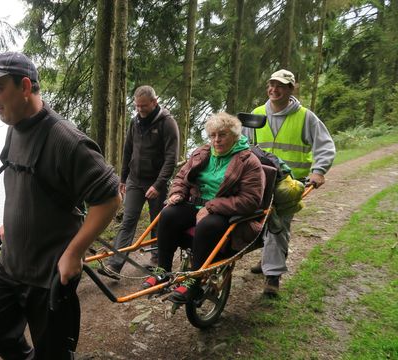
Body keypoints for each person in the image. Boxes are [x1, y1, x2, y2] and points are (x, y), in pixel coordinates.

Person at [0, 52, 121, 359]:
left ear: (25, 87)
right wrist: (7, 225)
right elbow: (18, 183)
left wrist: (74, 252)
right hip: (11, 264)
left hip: (52, 274)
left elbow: (110, 198)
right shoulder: (14, 128)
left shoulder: (67, 141)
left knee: (53, 353)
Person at [141, 112, 265, 302]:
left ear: (234, 135)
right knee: (168, 214)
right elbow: (182, 178)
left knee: (207, 225)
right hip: (196, 204)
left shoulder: (248, 162)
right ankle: (163, 271)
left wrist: (212, 206)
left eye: (222, 135)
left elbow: (250, 200)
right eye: (212, 135)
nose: (216, 140)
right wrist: (177, 193)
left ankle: (195, 281)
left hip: (226, 212)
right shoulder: (202, 153)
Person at [245, 69, 336, 297]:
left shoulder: (306, 117)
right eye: (272, 85)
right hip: (259, 180)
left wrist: (319, 171)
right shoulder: (256, 113)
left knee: (278, 224)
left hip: (290, 183)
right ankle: (268, 259)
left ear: (291, 89)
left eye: (281, 86)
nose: (274, 89)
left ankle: (272, 277)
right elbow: (242, 146)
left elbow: (325, 145)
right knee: (258, 219)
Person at [98, 85, 179, 279]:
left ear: (154, 102)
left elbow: (171, 159)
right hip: (135, 179)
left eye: (143, 106)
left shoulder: (167, 123)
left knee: (157, 223)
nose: (140, 109)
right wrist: (123, 178)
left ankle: (157, 258)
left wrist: (158, 185)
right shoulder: (135, 122)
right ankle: (114, 266)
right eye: (137, 106)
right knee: (128, 220)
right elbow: (128, 151)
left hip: (156, 182)